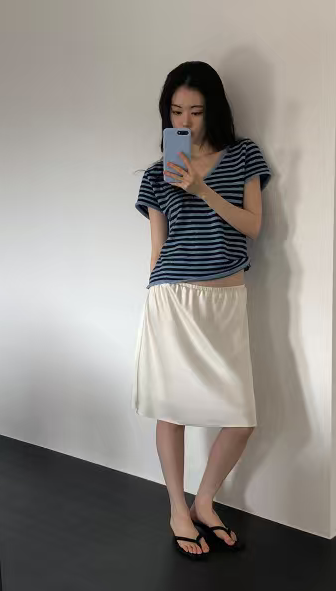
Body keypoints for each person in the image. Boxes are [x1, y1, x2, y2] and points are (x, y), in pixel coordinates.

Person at [132, 61, 271, 560]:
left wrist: (200, 188)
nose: (185, 121)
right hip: (173, 299)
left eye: (195, 110)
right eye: (176, 111)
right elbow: (157, 250)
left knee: (242, 418)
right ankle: (178, 508)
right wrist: (153, 301)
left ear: (213, 110)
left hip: (226, 302)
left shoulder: (244, 156)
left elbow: (252, 226)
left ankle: (205, 501)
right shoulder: (156, 175)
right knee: (172, 412)